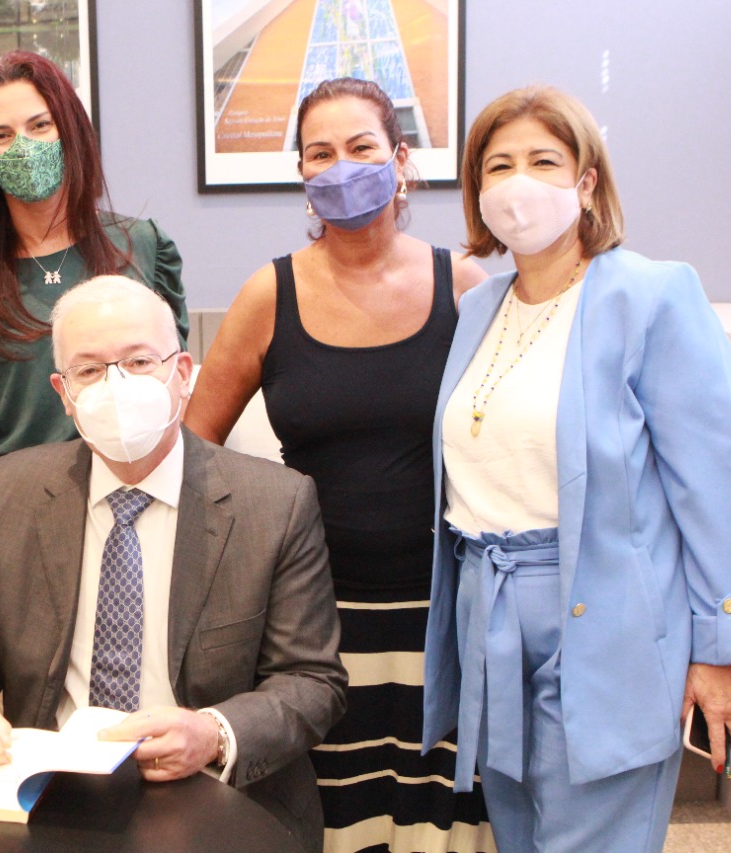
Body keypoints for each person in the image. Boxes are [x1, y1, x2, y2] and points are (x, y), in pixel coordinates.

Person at [423, 85, 731, 852]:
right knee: (517, 832)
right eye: (498, 165)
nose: (518, 182)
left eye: (544, 161)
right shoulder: (479, 308)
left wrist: (721, 646)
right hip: (491, 613)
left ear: (586, 183)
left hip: (605, 617)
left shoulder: (651, 295)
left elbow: (708, 490)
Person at [0, 276, 347, 852]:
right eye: (89, 370)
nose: (116, 387)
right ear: (64, 393)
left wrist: (214, 732)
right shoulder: (11, 491)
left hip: (214, 791)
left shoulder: (275, 503)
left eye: (139, 362)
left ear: (182, 373)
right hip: (53, 794)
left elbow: (312, 681)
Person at [185, 78, 491, 852]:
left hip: (442, 610)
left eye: (361, 147)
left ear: (400, 159)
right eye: (320, 153)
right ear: (301, 172)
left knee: (438, 819)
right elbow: (195, 451)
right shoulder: (270, 293)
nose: (342, 167)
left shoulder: (465, 286)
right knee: (336, 817)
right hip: (313, 624)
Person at [0, 51, 187, 606]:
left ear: (70, 130)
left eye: (40, 125)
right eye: (1, 135)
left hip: (139, 500)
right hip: (15, 509)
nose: (25, 146)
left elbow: (180, 390)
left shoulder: (142, 247)